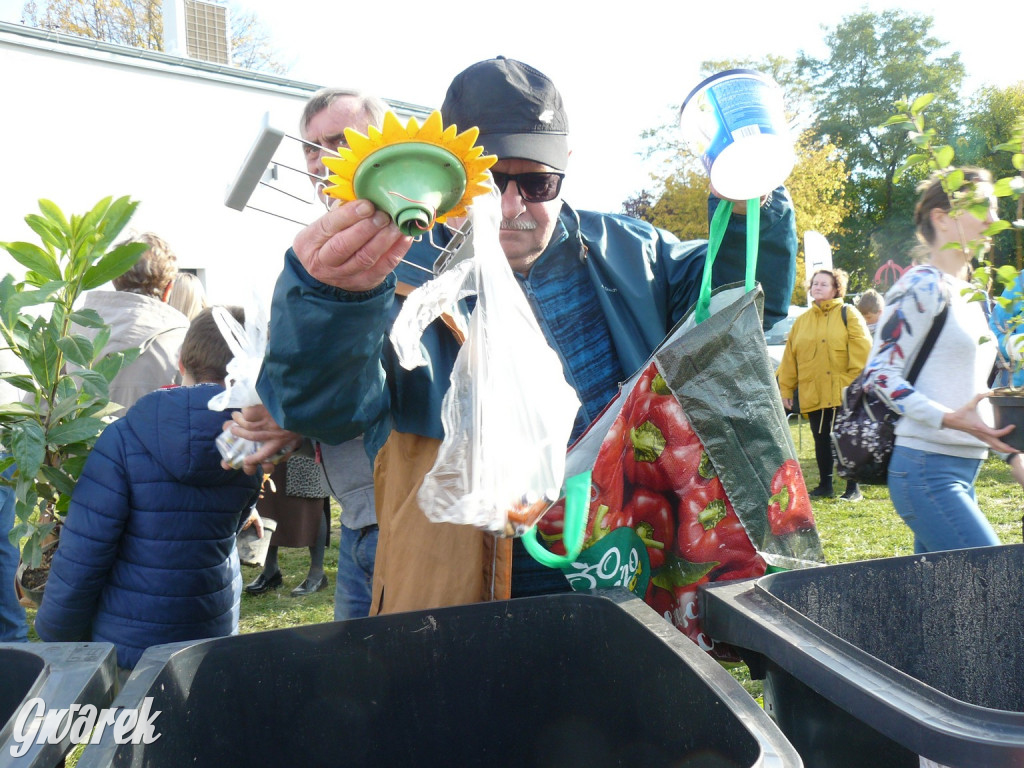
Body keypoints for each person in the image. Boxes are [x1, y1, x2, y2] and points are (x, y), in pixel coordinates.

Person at [243, 56, 797, 615]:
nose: (511, 207)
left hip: (629, 558)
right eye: (488, 184)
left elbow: (747, 303)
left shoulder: (633, 253)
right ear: (450, 179)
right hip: (472, 580)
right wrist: (330, 298)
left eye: (537, 182)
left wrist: (753, 195)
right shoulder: (391, 276)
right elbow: (322, 410)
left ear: (566, 169)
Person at [34, 307, 261, 672]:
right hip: (208, 634)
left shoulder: (123, 439)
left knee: (133, 730)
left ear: (181, 360)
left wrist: (57, 633)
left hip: (129, 643)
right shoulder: (253, 443)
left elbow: (84, 554)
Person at [240, 88, 384, 615]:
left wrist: (293, 415)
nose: (323, 158)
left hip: (403, 518)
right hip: (361, 518)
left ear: (383, 143)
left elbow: (395, 375)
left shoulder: (408, 242)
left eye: (341, 140)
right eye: (311, 146)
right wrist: (284, 414)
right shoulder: (313, 252)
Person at [863, 167, 1016, 553]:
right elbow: (879, 373)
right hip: (926, 472)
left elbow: (973, 390)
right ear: (942, 218)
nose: (993, 220)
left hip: (963, 469)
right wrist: (947, 418)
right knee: (996, 587)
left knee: (946, 607)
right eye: (983, 206)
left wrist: (1011, 452)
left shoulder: (974, 295)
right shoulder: (920, 286)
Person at [777, 268, 871, 501]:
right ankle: (825, 485)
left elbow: (863, 352)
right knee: (820, 438)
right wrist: (786, 389)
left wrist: (851, 386)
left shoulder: (849, 314)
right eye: (815, 283)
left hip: (843, 391)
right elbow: (790, 359)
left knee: (846, 438)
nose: (817, 287)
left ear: (836, 289)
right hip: (813, 390)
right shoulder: (802, 321)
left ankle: (853, 489)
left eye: (823, 284)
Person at [75, 232, 190, 414]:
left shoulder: (72, 333)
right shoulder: (183, 340)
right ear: (169, 288)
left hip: (81, 442)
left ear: (114, 280)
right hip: (152, 441)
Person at [243, 454, 329, 597]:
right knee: (267, 498)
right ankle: (271, 571)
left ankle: (317, 574)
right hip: (270, 438)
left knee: (311, 498)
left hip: (304, 439)